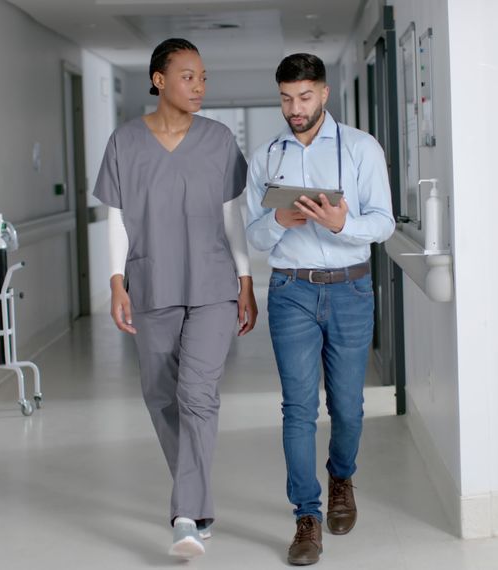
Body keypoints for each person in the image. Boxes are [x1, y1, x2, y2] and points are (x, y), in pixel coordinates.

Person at [92, 37, 258, 560]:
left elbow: (233, 216)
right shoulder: (124, 142)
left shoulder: (218, 140)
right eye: (189, 76)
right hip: (152, 281)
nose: (200, 86)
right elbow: (115, 217)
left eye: (204, 77)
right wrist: (116, 279)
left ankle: (184, 515)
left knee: (197, 395)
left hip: (212, 284)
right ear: (159, 79)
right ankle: (199, 499)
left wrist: (246, 279)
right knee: (160, 396)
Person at [244, 53, 394, 566]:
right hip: (291, 292)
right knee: (298, 408)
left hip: (350, 290)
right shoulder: (267, 158)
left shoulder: (360, 149)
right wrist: (281, 218)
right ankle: (305, 515)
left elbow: (384, 223)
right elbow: (253, 234)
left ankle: (341, 477)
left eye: (304, 97)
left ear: (324, 94)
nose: (295, 109)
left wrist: (338, 224)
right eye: (286, 99)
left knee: (348, 407)